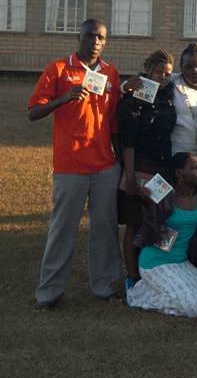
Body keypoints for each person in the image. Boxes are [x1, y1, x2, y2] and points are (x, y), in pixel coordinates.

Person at [29, 19, 123, 312]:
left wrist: (121, 165)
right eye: (90, 36)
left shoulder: (110, 72)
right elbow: (33, 112)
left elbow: (114, 121)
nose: (95, 42)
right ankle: (48, 294)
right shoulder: (57, 69)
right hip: (70, 166)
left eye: (101, 38)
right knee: (62, 231)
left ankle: (104, 286)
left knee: (105, 230)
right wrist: (63, 99)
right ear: (79, 37)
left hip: (105, 166)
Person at [125, 152, 197, 317]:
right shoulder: (164, 194)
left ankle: (149, 288)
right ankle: (139, 296)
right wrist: (150, 207)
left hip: (181, 261)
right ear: (179, 173)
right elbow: (150, 239)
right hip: (154, 262)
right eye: (194, 168)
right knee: (194, 309)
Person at [116, 50, 177, 282]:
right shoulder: (134, 97)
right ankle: (133, 279)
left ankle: (154, 274)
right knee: (134, 224)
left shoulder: (171, 93)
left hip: (162, 168)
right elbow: (127, 140)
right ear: (149, 70)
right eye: (159, 72)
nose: (163, 77)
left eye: (167, 74)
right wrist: (130, 177)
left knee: (159, 222)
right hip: (139, 165)